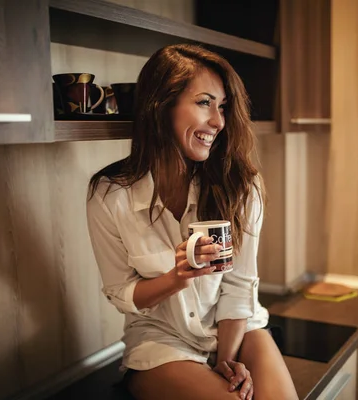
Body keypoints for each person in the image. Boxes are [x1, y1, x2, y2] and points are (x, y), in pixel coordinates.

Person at [86, 44, 298, 400]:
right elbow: (122, 294)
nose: (218, 121)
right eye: (204, 103)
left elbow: (239, 288)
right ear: (161, 105)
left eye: (222, 106)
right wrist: (177, 278)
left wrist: (225, 361)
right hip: (162, 341)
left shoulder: (241, 186)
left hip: (239, 330)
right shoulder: (110, 195)